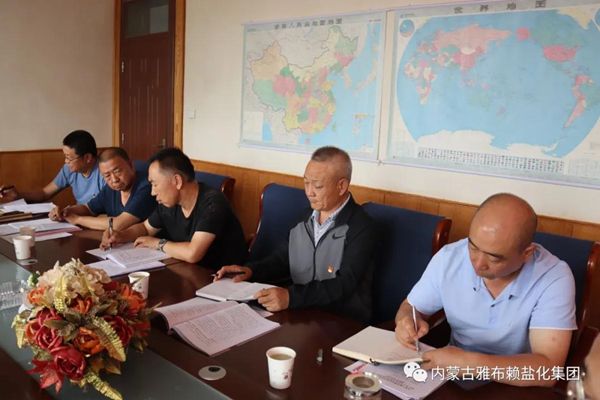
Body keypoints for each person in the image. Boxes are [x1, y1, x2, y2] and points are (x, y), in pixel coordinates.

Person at [394, 193, 576, 387]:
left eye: (494, 257)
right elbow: (410, 307)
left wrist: (469, 363)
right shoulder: (450, 258)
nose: (478, 263)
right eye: (473, 247)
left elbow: (547, 371)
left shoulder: (553, 277)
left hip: (517, 385)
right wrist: (406, 322)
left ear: (526, 254)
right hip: (451, 374)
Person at [214, 146, 377, 324]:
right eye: (306, 183)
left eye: (318, 185)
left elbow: (345, 283)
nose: (309, 192)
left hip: (341, 321)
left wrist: (291, 297)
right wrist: (251, 271)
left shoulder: (361, 226)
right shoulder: (304, 217)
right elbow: (283, 259)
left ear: (342, 186)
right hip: (301, 313)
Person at [101, 147, 247, 269]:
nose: (152, 192)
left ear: (177, 181)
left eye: (155, 184)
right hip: (188, 271)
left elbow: (193, 253)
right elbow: (145, 228)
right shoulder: (170, 203)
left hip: (223, 280)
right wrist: (120, 236)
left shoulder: (213, 202)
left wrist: (158, 243)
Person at [0, 130, 105, 218]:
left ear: (87, 157)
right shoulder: (69, 169)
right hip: (79, 220)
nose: (66, 162)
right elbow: (45, 193)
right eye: (65, 157)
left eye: (69, 158)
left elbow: (108, 214)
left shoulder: (106, 173)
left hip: (98, 224)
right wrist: (18, 195)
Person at [56, 147, 155, 231]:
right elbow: (88, 208)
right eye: (107, 175)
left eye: (117, 171)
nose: (114, 179)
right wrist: (66, 212)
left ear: (131, 166)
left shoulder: (146, 187)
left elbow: (119, 224)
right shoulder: (110, 189)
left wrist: (78, 219)